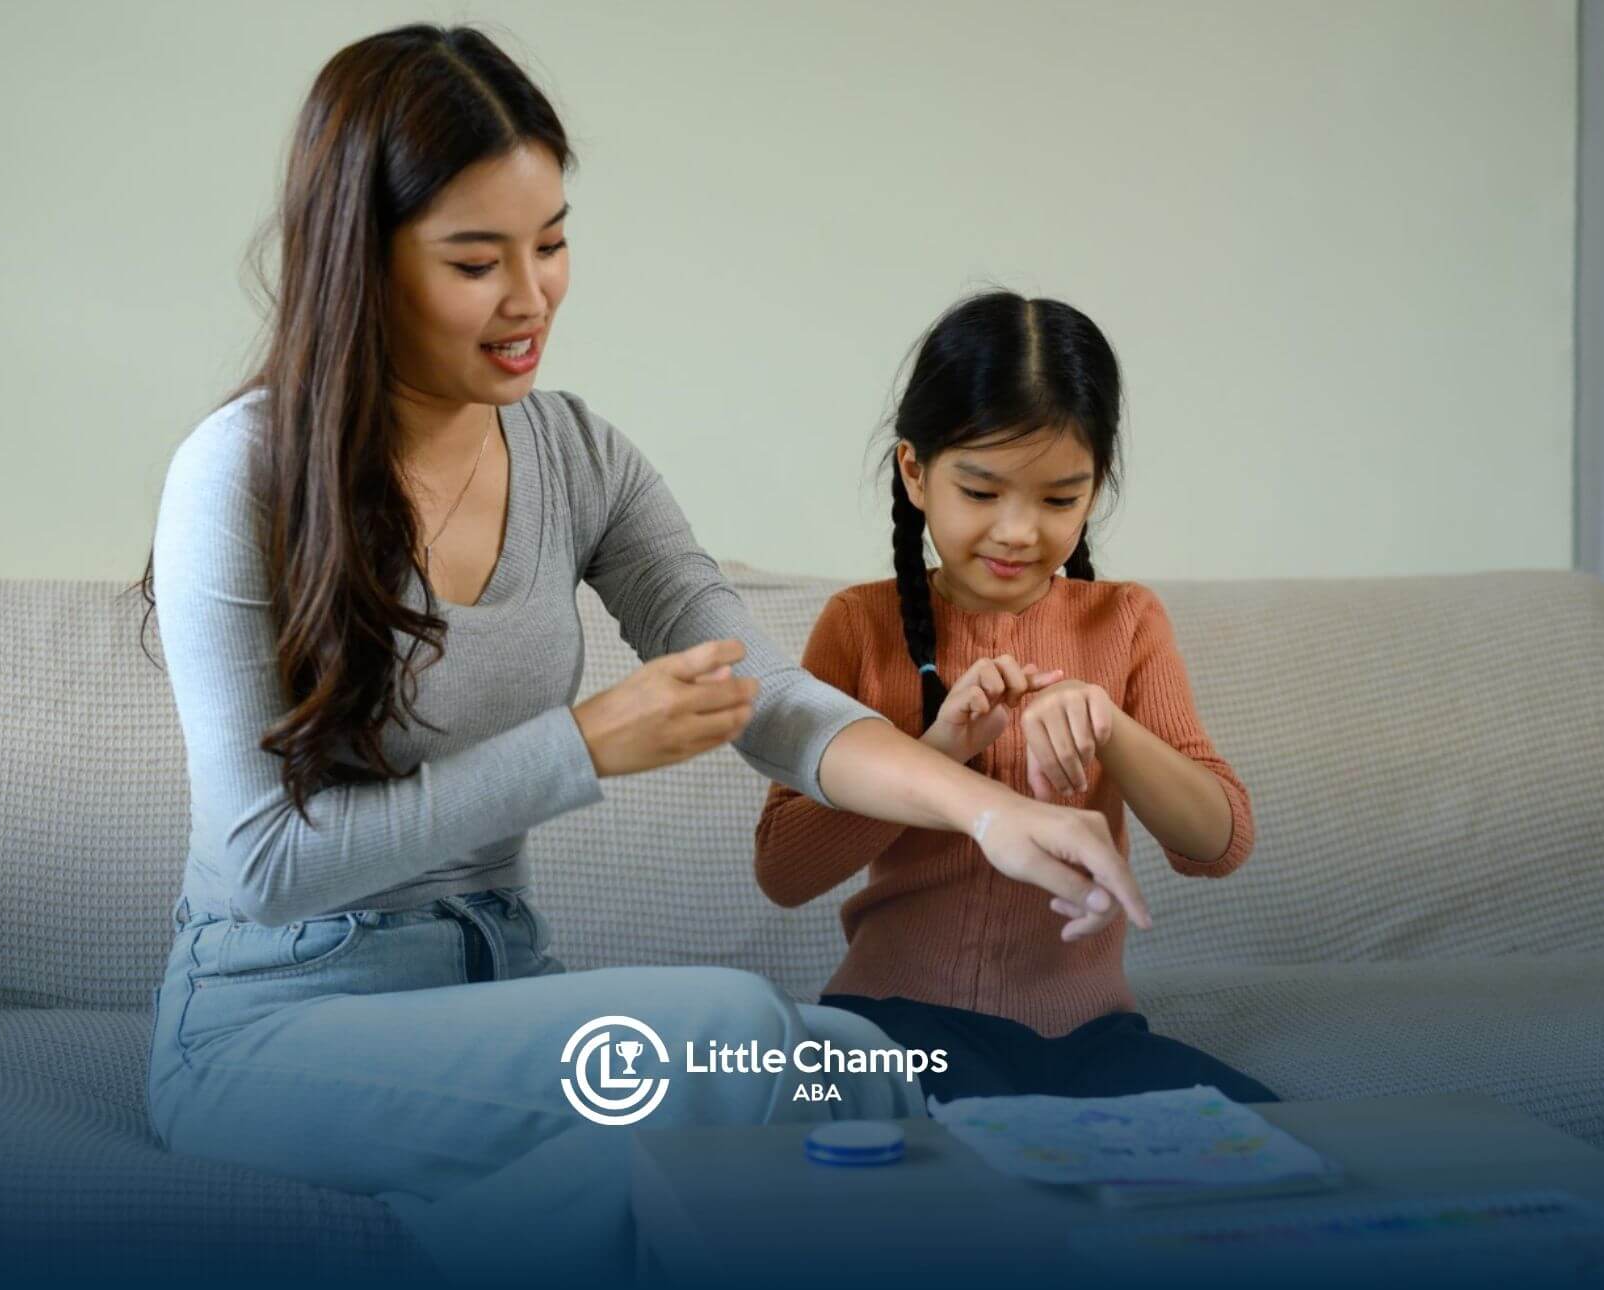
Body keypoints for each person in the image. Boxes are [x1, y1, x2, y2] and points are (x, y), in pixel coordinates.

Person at [136, 25, 1151, 1287]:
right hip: (268, 1027)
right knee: (722, 1030)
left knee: (860, 1074)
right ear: (363, 263)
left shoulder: (573, 456)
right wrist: (581, 746)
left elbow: (762, 690)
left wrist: (987, 812)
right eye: (475, 260)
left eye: (551, 242)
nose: (532, 297)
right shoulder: (239, 476)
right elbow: (264, 863)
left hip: (493, 986)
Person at [755, 291, 1279, 1109]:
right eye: (983, 490)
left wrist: (1111, 726)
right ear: (915, 472)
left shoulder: (1127, 620)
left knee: (1287, 1147)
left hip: (1089, 1039)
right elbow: (783, 869)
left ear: (1096, 488)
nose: (1017, 531)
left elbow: (1218, 843)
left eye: (1059, 499)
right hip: (895, 1030)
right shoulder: (860, 625)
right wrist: (937, 758)